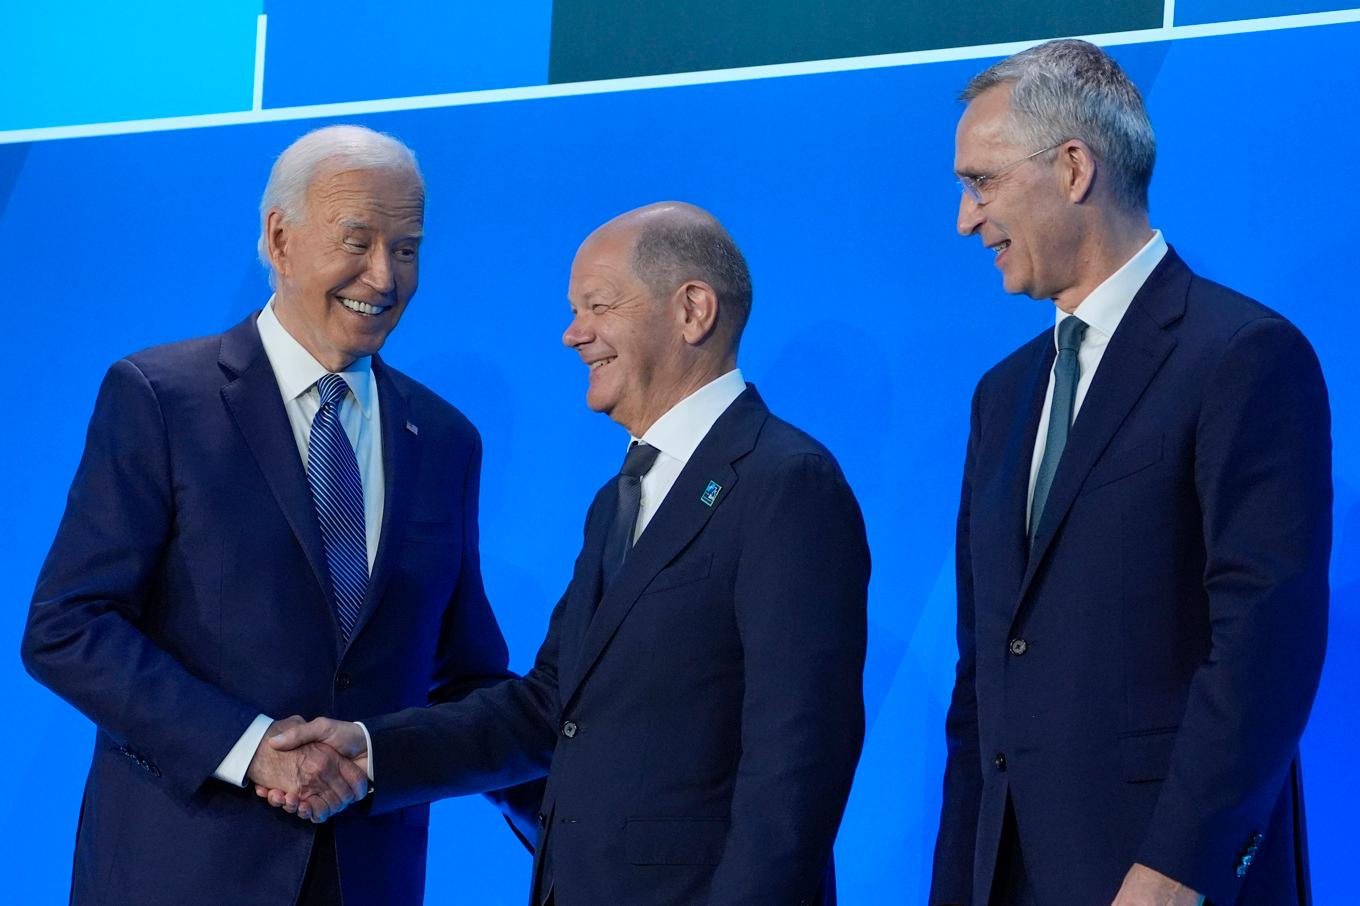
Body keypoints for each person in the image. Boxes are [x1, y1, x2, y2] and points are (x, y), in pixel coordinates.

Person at [262, 202, 871, 906]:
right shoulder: (620, 497)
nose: (573, 334)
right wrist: (370, 751)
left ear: (693, 310)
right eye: (574, 311)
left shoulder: (784, 482)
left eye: (597, 307)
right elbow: (548, 706)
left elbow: (798, 757)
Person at [21, 124, 532, 906]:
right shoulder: (161, 399)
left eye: (406, 249)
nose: (383, 276)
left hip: (367, 880)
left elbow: (465, 679)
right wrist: (251, 747)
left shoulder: (445, 439)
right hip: (180, 875)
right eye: (357, 241)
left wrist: (581, 824)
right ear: (280, 238)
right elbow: (69, 626)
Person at [931, 39, 1331, 906]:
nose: (966, 219)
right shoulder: (1001, 397)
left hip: (1163, 880)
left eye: (982, 183)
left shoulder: (1241, 355)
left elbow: (1266, 643)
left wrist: (1180, 869)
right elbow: (984, 676)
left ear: (1074, 168)